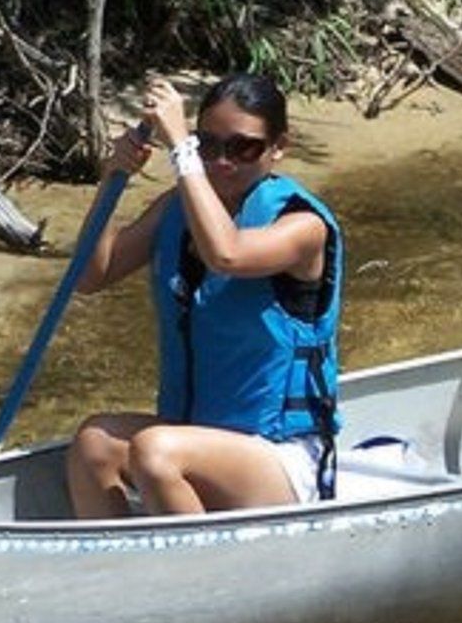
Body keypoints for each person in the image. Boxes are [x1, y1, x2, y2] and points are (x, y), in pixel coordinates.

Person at [65, 73, 343, 517]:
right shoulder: (176, 209)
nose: (222, 162)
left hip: (280, 453)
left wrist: (183, 150)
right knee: (94, 442)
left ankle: (199, 560)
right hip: (193, 436)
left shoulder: (301, 225)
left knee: (155, 451)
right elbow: (89, 277)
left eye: (243, 148)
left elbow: (227, 254)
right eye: (208, 146)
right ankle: (120, 556)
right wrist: (113, 177)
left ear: (278, 147)